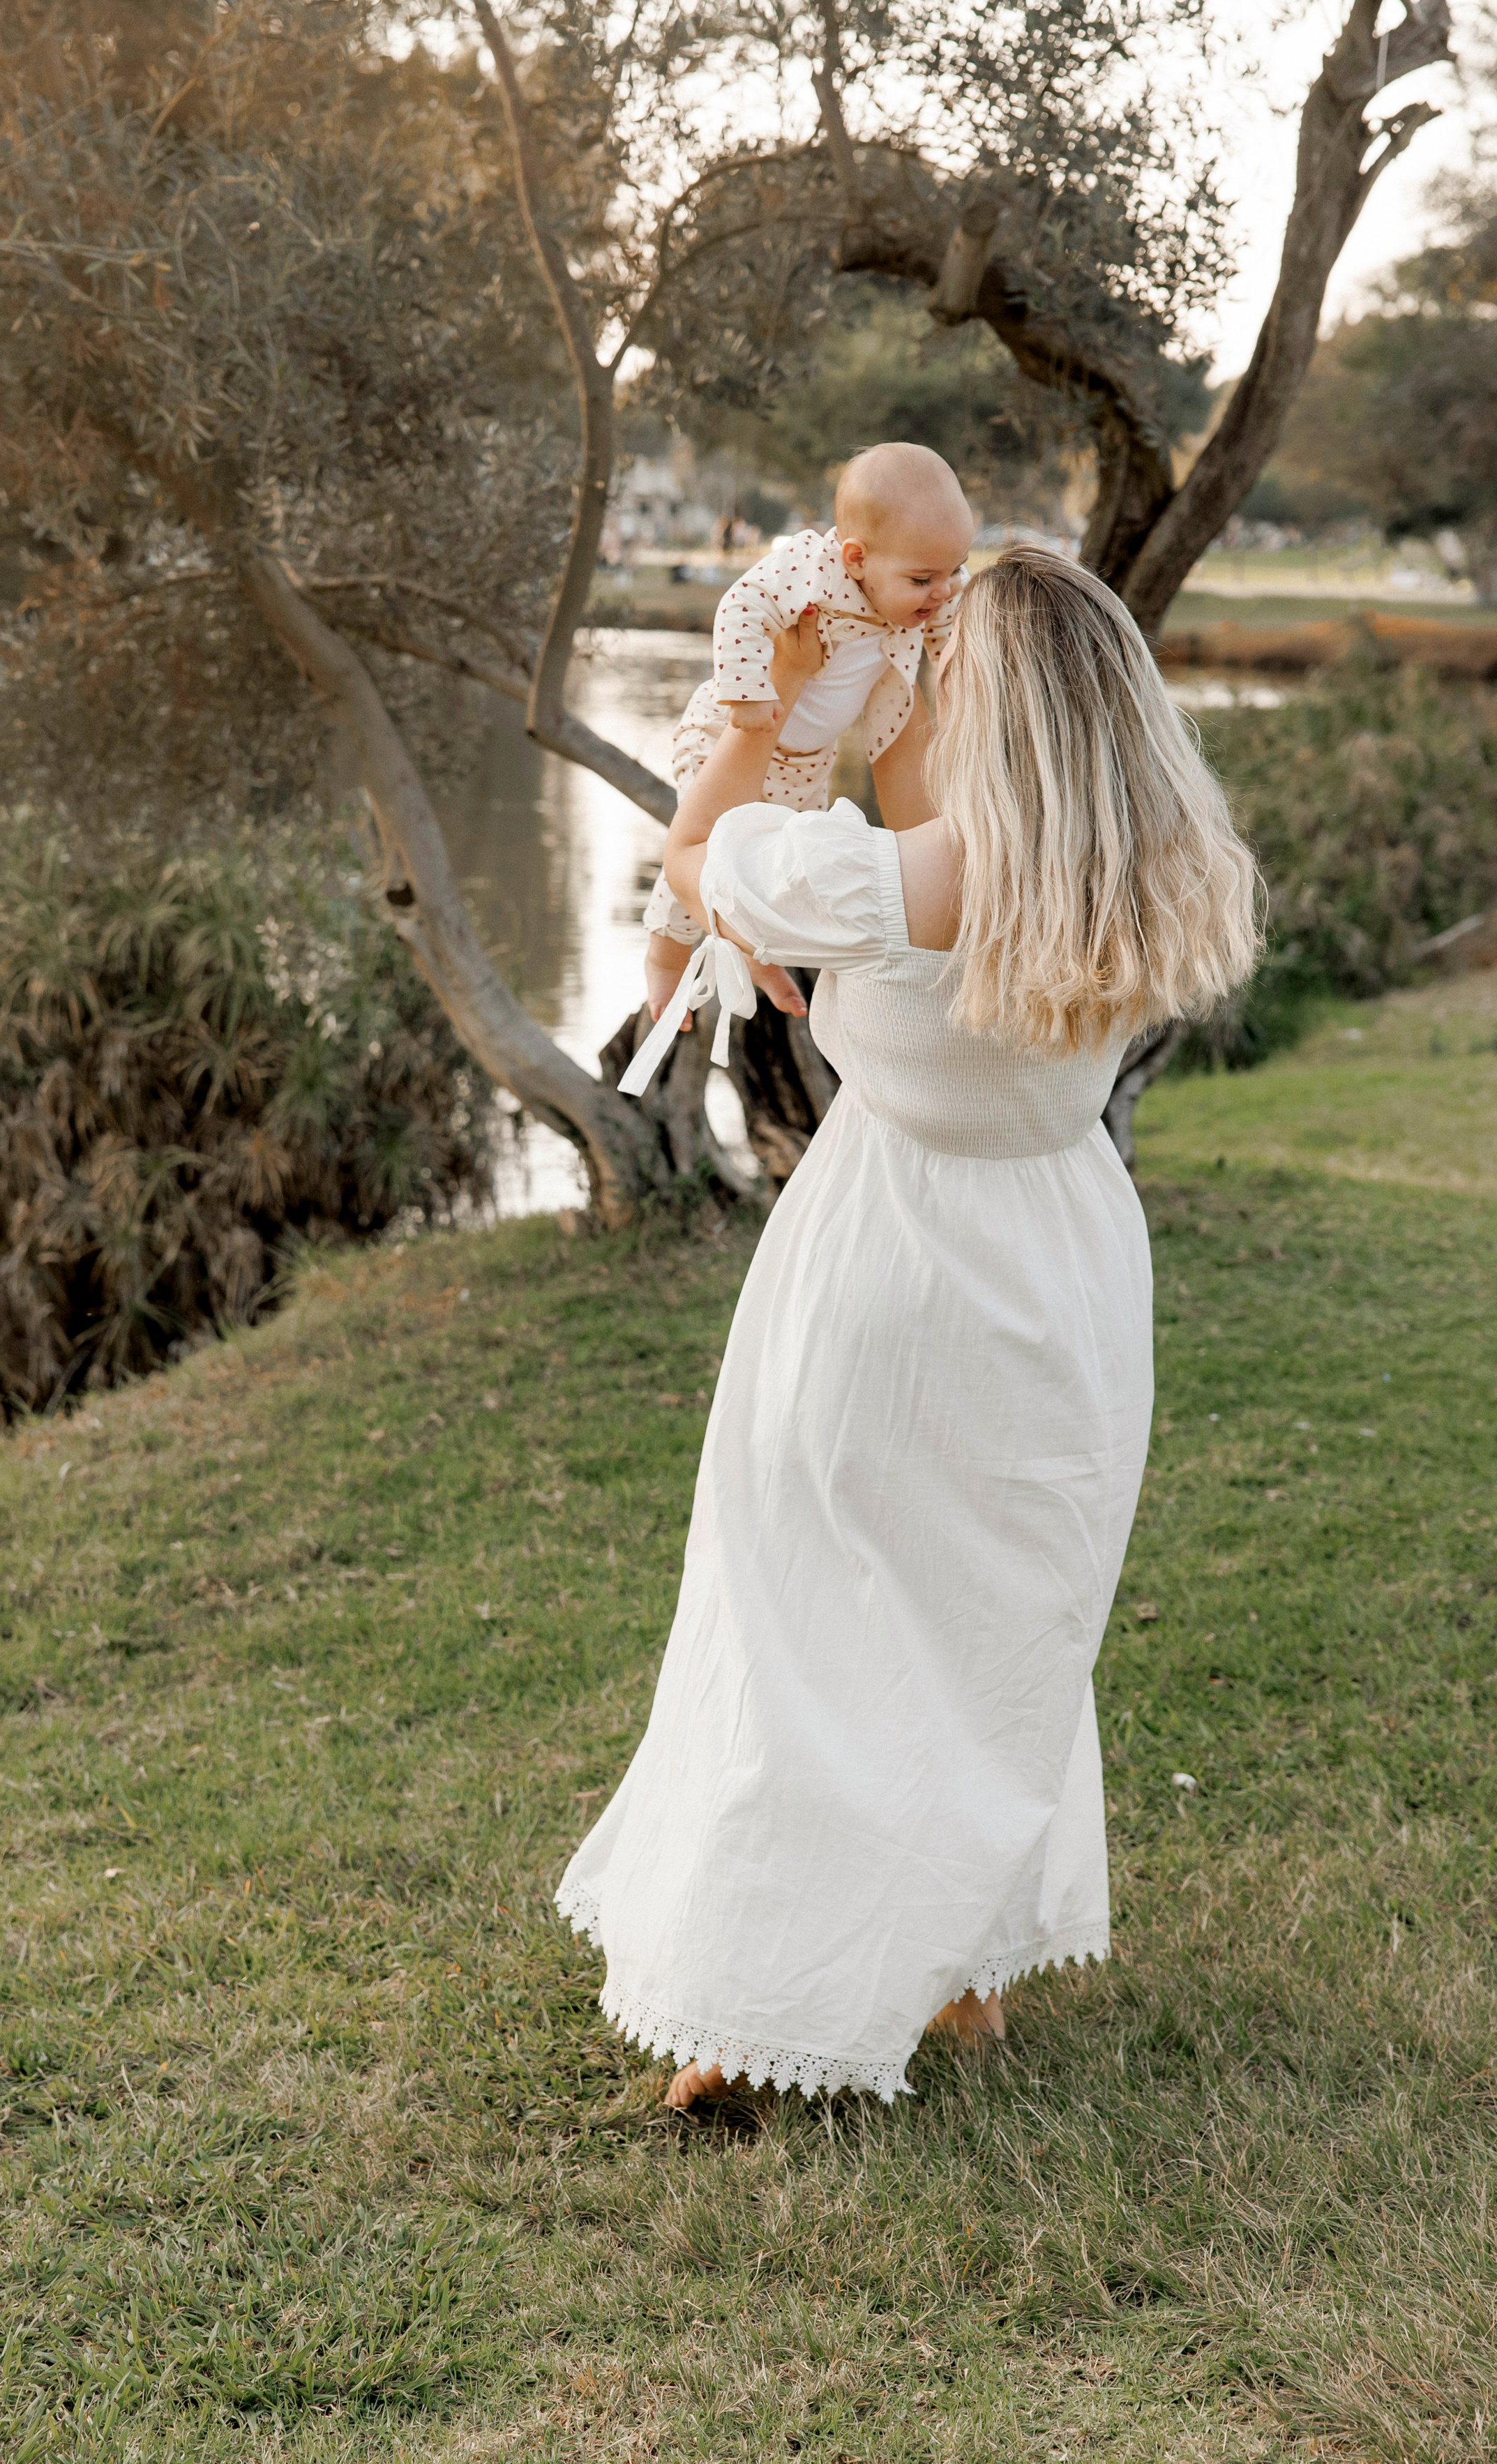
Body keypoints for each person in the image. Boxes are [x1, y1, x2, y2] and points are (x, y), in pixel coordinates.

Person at [558, 546, 1259, 2108]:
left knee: (805, 1610)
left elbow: (695, 860)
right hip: (1066, 1267)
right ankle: (955, 1979)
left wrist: (758, 697)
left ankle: (742, 2019)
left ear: (988, 710)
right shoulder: (1157, 867)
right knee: (994, 1620)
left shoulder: (898, 884)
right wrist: (892, 701)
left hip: (891, 1259)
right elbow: (951, 801)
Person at [642, 444, 972, 1030]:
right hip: (732, 732)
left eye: (953, 571)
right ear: (856, 558)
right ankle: (664, 964)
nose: (942, 591)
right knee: (707, 856)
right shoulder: (811, 572)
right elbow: (740, 607)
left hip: (806, 763)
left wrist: (962, 693)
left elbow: (952, 645)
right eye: (923, 578)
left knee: (777, 871)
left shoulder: (928, 595)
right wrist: (749, 699)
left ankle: (763, 958)